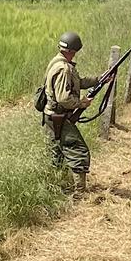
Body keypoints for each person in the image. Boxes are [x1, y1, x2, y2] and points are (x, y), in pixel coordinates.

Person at [42, 31, 97, 197]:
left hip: (51, 116)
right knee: (79, 151)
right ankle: (80, 192)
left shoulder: (57, 61)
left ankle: (55, 188)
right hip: (59, 117)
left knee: (57, 153)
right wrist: (82, 103)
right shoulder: (64, 68)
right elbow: (64, 98)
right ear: (73, 50)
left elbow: (77, 83)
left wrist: (99, 79)